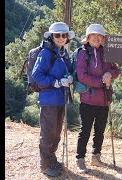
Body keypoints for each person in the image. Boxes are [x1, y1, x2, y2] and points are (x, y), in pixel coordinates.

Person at [75, 23, 120, 173]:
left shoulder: (107, 52)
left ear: (102, 39)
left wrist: (110, 74)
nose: (96, 37)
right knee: (85, 130)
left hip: (104, 99)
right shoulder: (83, 53)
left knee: (100, 130)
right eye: (92, 35)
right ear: (87, 38)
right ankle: (80, 159)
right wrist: (101, 81)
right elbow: (82, 76)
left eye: (99, 35)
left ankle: (96, 156)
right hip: (88, 98)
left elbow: (116, 71)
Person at [32, 21, 75, 177]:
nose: (61, 38)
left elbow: (69, 69)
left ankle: (52, 160)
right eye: (57, 35)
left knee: (56, 133)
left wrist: (70, 76)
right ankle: (45, 165)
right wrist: (55, 82)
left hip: (60, 99)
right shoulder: (46, 53)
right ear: (52, 37)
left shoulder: (63, 52)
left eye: (64, 35)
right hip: (49, 99)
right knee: (48, 133)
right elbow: (37, 75)